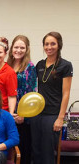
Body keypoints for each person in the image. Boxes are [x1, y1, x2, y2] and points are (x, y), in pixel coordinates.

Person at [31, 32, 73, 164]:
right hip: (37, 113)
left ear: (59, 45)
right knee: (35, 149)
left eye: (53, 44)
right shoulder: (40, 65)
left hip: (53, 114)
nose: (49, 47)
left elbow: (66, 93)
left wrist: (60, 118)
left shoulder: (65, 65)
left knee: (47, 151)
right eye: (46, 44)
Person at [7, 35, 37, 164]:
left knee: (22, 150)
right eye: (16, 47)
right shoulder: (7, 65)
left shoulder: (29, 67)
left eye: (22, 47)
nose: (18, 50)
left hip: (22, 117)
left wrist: (23, 115)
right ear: (11, 48)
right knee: (8, 150)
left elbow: (31, 94)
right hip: (7, 114)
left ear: (27, 49)